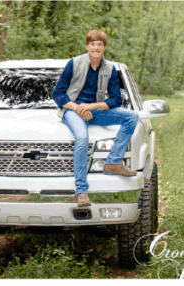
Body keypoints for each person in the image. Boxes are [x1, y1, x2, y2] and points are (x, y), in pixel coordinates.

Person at [53, 29, 139, 208]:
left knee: (131, 116)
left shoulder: (110, 69)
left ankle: (113, 162)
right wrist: (78, 108)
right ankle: (81, 191)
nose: (96, 48)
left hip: (95, 110)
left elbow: (116, 100)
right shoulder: (74, 63)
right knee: (82, 137)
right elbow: (58, 94)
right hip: (72, 110)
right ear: (87, 46)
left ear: (104, 47)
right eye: (92, 44)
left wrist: (92, 106)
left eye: (99, 45)